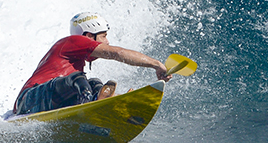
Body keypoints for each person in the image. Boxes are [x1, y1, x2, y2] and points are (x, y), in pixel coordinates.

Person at [11, 12, 172, 116]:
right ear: (88, 36)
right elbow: (116, 53)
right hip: (29, 100)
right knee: (78, 80)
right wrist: (156, 64)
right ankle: (88, 104)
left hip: (45, 104)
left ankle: (100, 101)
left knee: (94, 82)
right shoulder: (74, 41)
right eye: (103, 36)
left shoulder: (75, 56)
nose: (107, 42)